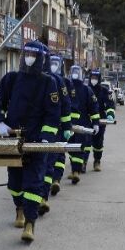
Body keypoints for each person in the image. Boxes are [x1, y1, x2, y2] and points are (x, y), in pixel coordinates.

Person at [0, 41, 60, 243]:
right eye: (28, 54)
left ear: (41, 58)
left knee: (33, 183)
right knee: (15, 183)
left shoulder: (48, 83)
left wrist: (46, 138)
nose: (30, 58)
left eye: (34, 55)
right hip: (13, 140)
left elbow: (53, 114)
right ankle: (19, 209)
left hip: (36, 141)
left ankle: (30, 223)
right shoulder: (11, 79)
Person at [42, 52, 73, 203]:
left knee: (54, 157)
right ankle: (52, 181)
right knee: (51, 157)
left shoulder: (60, 81)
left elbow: (66, 104)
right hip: (42, 126)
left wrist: (66, 126)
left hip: (56, 126)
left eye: (56, 63)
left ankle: (54, 181)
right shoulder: (36, 78)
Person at [67, 65, 100, 184]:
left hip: (82, 124)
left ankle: (76, 171)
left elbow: (94, 107)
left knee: (79, 147)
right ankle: (75, 170)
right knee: (71, 148)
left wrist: (95, 123)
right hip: (69, 124)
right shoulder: (66, 87)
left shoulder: (86, 90)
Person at [88, 71, 116, 171]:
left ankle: (97, 161)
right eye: (92, 77)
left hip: (100, 120)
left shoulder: (104, 91)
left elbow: (110, 104)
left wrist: (110, 114)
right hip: (86, 120)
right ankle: (82, 162)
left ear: (99, 79)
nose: (94, 79)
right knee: (84, 142)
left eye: (96, 78)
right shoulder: (85, 89)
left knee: (98, 142)